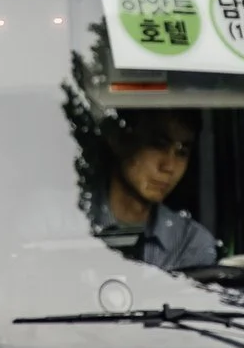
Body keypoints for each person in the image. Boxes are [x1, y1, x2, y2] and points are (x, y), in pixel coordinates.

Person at [91, 109, 226, 272]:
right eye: (157, 145)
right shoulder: (64, 223)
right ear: (118, 139)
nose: (169, 166)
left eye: (182, 153)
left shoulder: (190, 242)